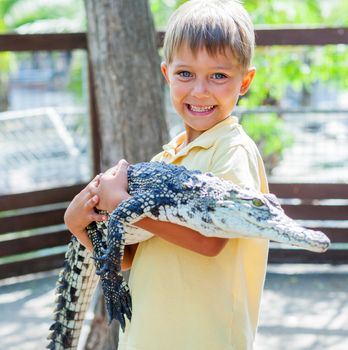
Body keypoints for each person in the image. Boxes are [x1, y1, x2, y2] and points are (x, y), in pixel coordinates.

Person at [64, 0, 269, 349]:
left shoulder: (232, 151)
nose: (200, 90)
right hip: (145, 337)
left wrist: (125, 204)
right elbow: (130, 258)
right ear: (166, 75)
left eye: (218, 75)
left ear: (245, 80)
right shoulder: (165, 159)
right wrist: (78, 225)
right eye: (185, 74)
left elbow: (212, 239)